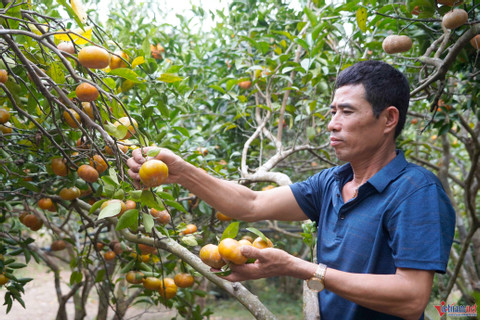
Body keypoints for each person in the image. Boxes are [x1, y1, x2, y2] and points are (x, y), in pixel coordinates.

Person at [127, 60, 455, 320]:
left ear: (388, 119)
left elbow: (411, 299)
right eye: (332, 111)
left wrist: (299, 268)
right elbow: (250, 204)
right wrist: (181, 170)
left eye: (347, 111)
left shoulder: (416, 192)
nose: (332, 123)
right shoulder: (332, 182)